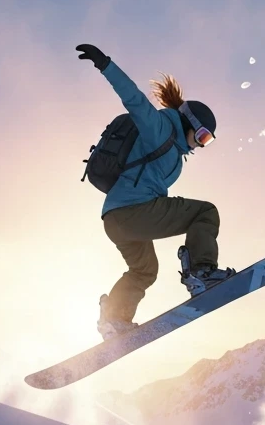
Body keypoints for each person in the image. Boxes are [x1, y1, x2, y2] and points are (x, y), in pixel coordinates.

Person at [75, 43, 233, 340]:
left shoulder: (176, 155)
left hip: (116, 219)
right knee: (205, 212)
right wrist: (105, 64)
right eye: (202, 136)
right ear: (190, 123)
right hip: (131, 212)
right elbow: (134, 99)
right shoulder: (160, 128)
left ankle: (113, 319)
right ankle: (202, 272)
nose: (201, 145)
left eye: (208, 141)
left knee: (145, 270)